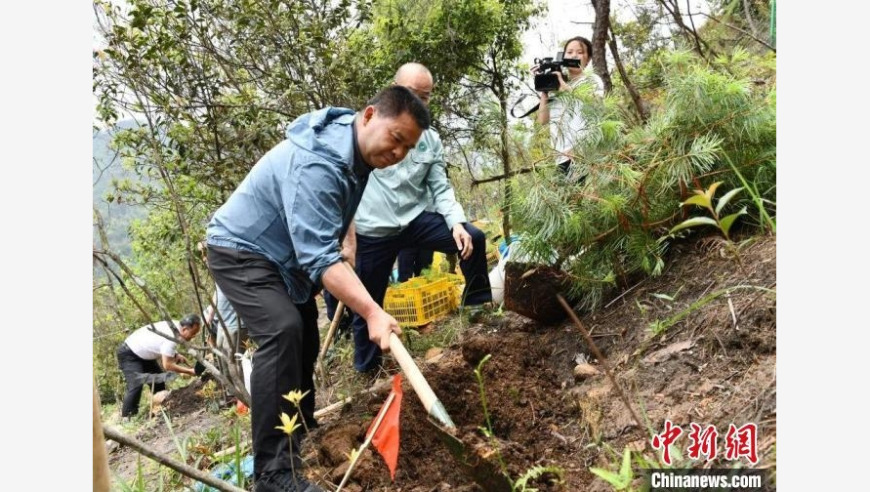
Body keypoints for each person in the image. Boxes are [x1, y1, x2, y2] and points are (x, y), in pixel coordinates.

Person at [205, 85, 429, 492]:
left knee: (304, 337)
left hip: (282, 259)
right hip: (240, 249)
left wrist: (348, 237)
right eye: (396, 139)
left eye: (408, 148)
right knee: (282, 330)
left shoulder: (355, 149)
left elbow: (333, 219)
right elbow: (320, 258)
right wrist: (373, 312)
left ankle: (300, 432)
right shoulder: (318, 162)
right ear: (368, 116)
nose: (399, 154)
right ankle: (273, 475)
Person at [347, 63, 492, 374]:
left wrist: (455, 223)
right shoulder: (370, 131)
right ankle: (368, 369)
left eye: (424, 97)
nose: (418, 102)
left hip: (415, 221)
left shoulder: (431, 140)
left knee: (473, 238)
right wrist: (347, 236)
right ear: (394, 91)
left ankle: (477, 309)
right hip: (375, 231)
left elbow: (440, 187)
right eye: (411, 93)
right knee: (366, 302)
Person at [533, 36, 605, 176]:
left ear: (588, 59)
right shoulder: (557, 86)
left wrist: (563, 85)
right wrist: (544, 89)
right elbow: (542, 120)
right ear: (563, 57)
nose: (574, 55)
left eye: (579, 52)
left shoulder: (592, 80)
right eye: (570, 52)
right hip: (560, 158)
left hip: (584, 155)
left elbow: (594, 104)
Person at [116, 315, 202, 418]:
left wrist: (175, 354)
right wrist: (190, 371)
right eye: (193, 333)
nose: (194, 336)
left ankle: (160, 407)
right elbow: (168, 365)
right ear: (184, 329)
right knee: (136, 384)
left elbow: (160, 341)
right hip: (129, 353)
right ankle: (128, 418)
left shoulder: (176, 326)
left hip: (143, 354)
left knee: (158, 381)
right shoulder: (172, 336)